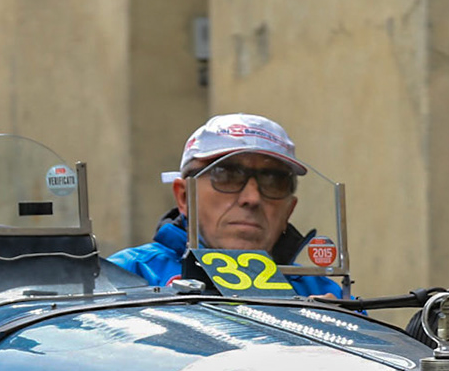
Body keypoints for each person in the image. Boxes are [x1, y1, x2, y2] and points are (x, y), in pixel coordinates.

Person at [109, 113, 343, 298]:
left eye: (273, 182)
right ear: (184, 197)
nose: (252, 198)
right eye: (227, 176)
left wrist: (342, 330)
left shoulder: (323, 292)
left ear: (289, 210)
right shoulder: (124, 277)